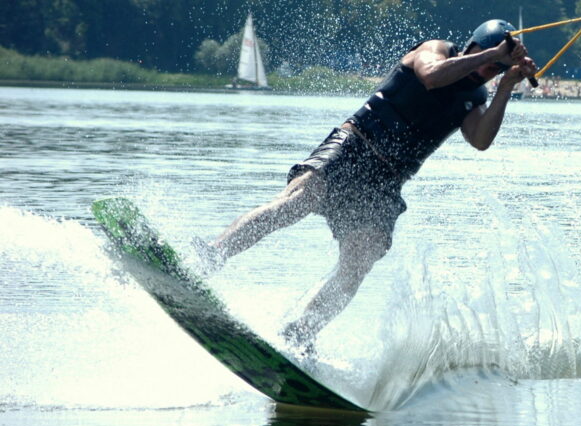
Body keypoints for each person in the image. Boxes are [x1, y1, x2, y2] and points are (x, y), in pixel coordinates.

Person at [200, 19, 538, 349]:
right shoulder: (435, 50)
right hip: (355, 145)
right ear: (473, 45)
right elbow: (431, 77)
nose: (487, 70)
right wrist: (492, 54)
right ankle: (211, 256)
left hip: (386, 180)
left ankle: (299, 335)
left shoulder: (475, 98)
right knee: (297, 201)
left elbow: (480, 140)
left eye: (495, 68)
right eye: (486, 58)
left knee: (361, 258)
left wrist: (505, 86)